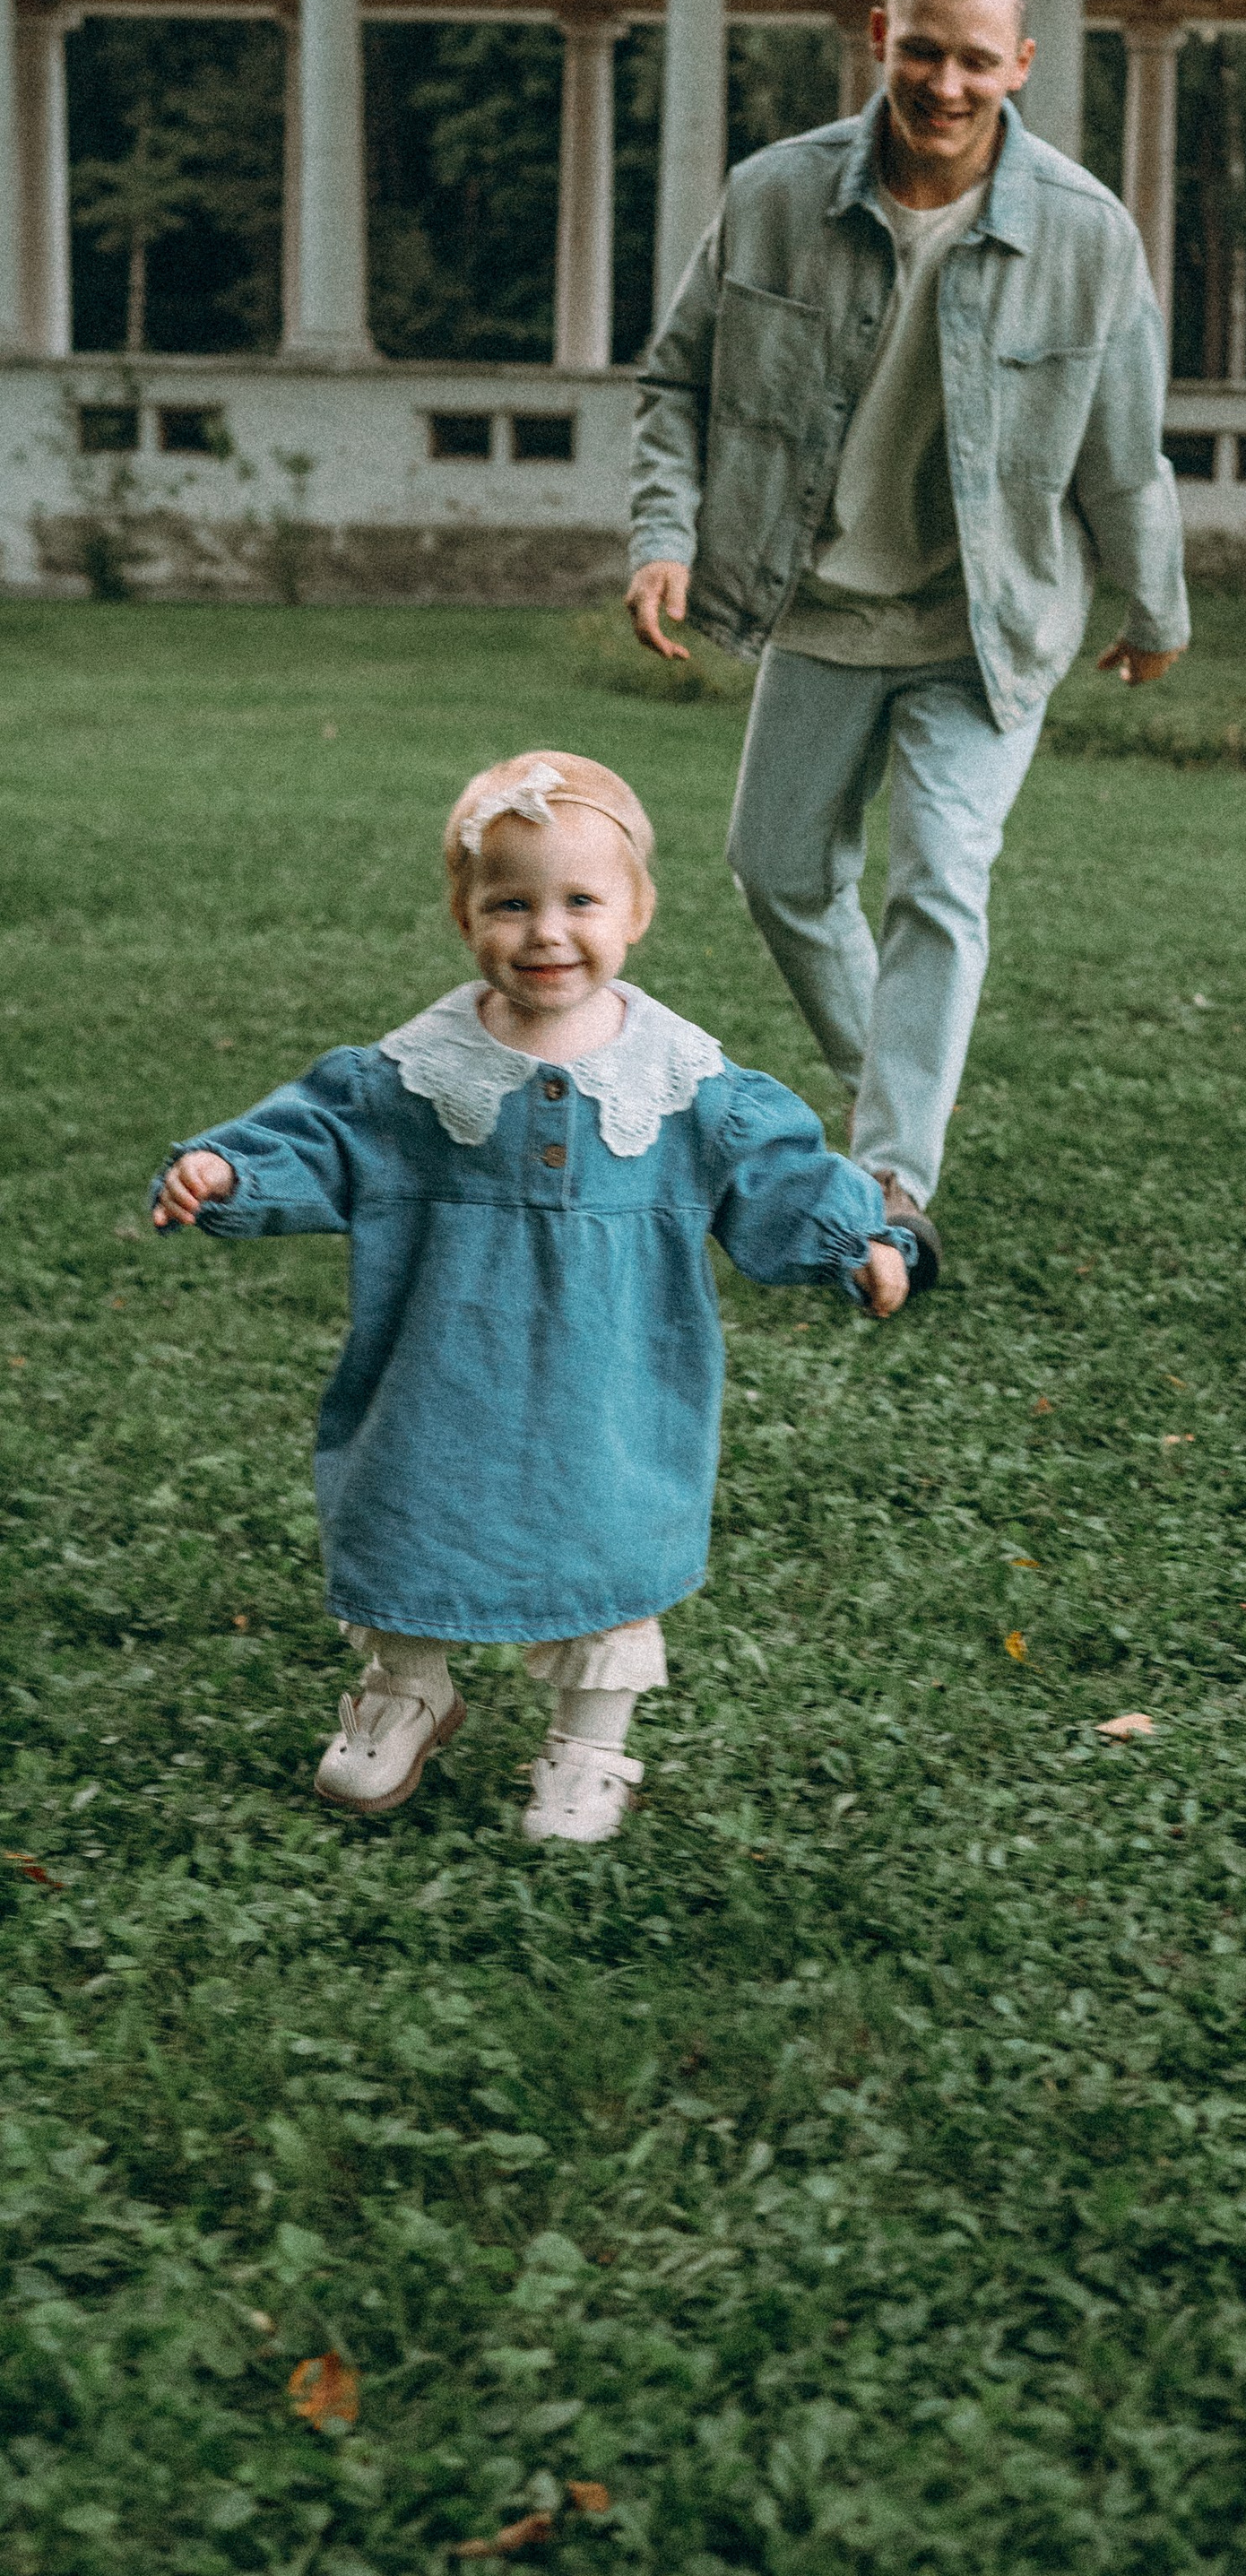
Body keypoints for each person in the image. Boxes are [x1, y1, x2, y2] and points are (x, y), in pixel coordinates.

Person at [151, 752, 913, 1842]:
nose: (546, 931)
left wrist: (853, 1239)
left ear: (638, 910)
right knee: (413, 1504)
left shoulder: (682, 1082)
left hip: (609, 1382)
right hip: (440, 1368)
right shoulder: (414, 1073)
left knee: (607, 1539)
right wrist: (230, 1172)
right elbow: (320, 1139)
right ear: (466, 916)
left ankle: (590, 1744)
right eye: (511, 902)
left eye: (580, 901)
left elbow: (775, 1173)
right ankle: (406, 1689)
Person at [625, 0, 1188, 1260]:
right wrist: (664, 533)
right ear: (882, 37)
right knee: (774, 870)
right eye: (922, 51)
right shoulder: (774, 194)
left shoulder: (1087, 235)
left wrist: (1154, 604)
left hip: (987, 627)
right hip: (815, 605)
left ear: (1023, 63)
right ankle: (896, 1082)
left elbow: (1124, 451)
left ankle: (886, 1185)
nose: (945, 84)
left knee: (942, 876)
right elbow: (676, 385)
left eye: (976, 61)